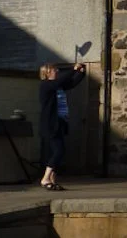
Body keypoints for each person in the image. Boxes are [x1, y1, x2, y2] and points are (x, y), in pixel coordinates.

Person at [38, 62, 85, 190]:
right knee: (58, 151)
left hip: (60, 122)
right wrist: (72, 69)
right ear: (47, 73)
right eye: (54, 70)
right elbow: (62, 79)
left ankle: (52, 180)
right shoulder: (46, 85)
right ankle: (45, 178)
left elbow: (72, 83)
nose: (57, 72)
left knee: (59, 151)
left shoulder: (57, 86)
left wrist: (81, 72)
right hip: (50, 124)